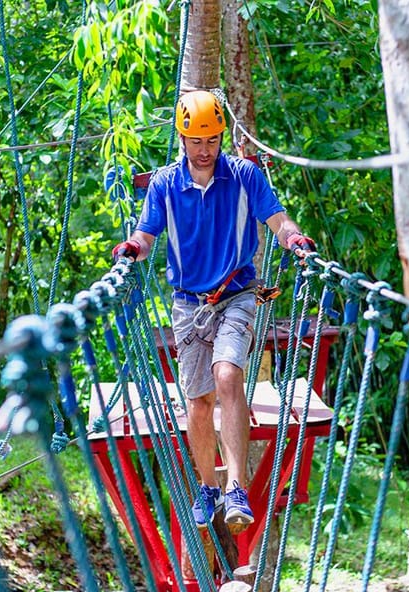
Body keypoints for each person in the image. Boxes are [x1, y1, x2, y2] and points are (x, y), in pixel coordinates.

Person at [112, 90, 315, 530]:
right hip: (188, 304)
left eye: (212, 141)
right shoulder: (166, 184)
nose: (204, 151)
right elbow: (147, 236)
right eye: (196, 141)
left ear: (222, 137)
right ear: (182, 138)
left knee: (228, 375)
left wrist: (295, 240)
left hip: (238, 294)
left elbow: (278, 220)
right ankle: (208, 487)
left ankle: (236, 489)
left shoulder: (244, 176)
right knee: (198, 402)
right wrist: (131, 248)